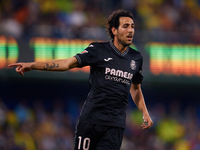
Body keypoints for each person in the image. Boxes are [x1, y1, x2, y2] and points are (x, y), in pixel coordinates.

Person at [9, 9, 153, 150]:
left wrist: (145, 112)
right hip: (91, 121)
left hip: (115, 126)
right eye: (126, 26)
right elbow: (66, 64)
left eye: (133, 27)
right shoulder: (98, 50)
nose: (131, 30)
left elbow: (135, 88)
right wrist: (33, 65)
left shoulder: (136, 58)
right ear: (114, 30)